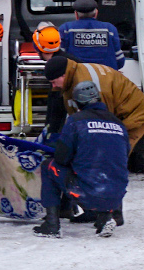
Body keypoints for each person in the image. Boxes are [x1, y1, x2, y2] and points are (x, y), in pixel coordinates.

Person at [36, 79, 131, 237]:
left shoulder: (75, 122)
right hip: (116, 195)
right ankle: (104, 217)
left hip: (87, 193)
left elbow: (62, 158)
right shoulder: (119, 124)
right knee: (105, 169)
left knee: (49, 166)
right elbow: (121, 155)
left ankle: (51, 225)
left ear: (77, 103)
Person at [51, 53, 144, 178]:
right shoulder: (73, 77)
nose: (53, 86)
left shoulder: (93, 87)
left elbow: (103, 127)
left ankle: (109, 181)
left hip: (135, 114)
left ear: (63, 75)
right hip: (119, 110)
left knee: (113, 151)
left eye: (53, 82)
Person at [57, 0, 124, 70]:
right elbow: (120, 60)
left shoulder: (66, 29)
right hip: (107, 77)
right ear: (96, 13)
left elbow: (60, 59)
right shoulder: (109, 29)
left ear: (76, 14)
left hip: (77, 77)